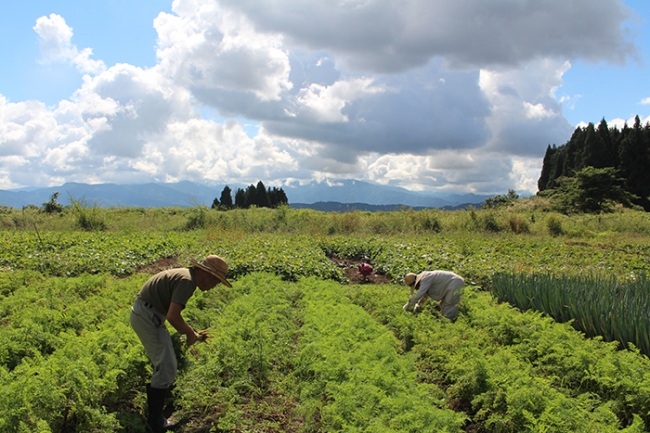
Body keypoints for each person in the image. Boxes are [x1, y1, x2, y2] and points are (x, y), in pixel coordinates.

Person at [130, 255, 232, 433]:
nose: (212, 288)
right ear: (208, 276)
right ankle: (155, 421)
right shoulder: (187, 282)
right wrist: (190, 333)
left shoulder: (186, 276)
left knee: (166, 361)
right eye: (215, 283)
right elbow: (173, 316)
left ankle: (160, 409)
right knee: (166, 363)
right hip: (147, 317)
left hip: (149, 314)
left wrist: (188, 332)